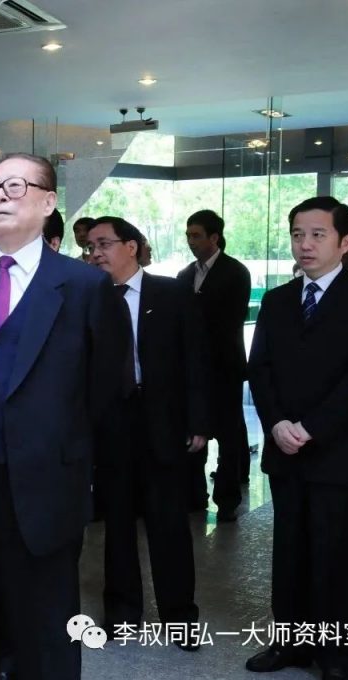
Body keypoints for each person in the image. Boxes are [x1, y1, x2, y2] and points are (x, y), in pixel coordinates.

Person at [0, 154, 125, 679]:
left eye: (14, 186)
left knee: (43, 620)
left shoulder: (83, 286)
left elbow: (107, 390)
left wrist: (73, 458)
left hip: (44, 477)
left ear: (49, 201)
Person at [246, 197, 348, 680]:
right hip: (286, 450)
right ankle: (290, 644)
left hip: (340, 452)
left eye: (318, 234)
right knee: (289, 554)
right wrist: (277, 423)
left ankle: (336, 656)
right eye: (297, 234)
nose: (305, 244)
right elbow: (260, 368)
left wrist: (312, 427)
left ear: (345, 243)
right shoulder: (279, 300)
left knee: (335, 559)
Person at [86, 216, 205, 648]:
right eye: (90, 247)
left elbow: (195, 359)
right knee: (117, 524)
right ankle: (122, 612)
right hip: (111, 423)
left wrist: (199, 422)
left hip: (162, 422)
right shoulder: (90, 298)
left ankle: (180, 616)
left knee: (168, 523)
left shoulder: (171, 293)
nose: (95, 254)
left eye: (103, 244)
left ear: (131, 247)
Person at [176, 209, 251, 521]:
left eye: (197, 235)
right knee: (194, 432)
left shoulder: (235, 272)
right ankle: (194, 495)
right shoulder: (184, 275)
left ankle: (227, 499)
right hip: (193, 370)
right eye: (188, 236)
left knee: (228, 435)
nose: (191, 241)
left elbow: (229, 320)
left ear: (214, 237)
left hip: (224, 368)